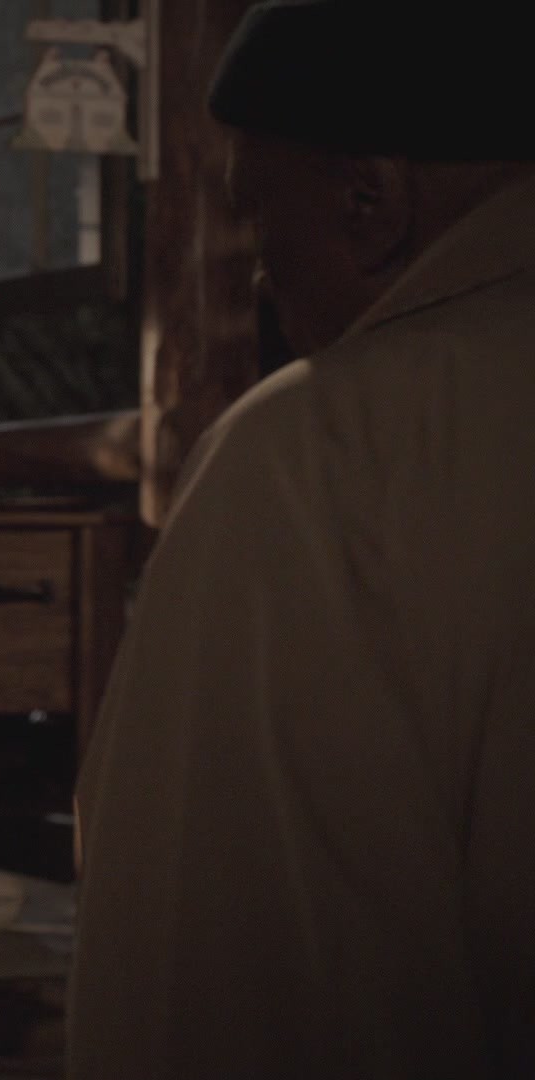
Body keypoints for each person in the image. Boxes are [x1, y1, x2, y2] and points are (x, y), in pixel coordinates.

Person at [70, 3, 535, 1076]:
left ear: (369, 200)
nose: (259, 276)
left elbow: (213, 982)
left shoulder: (320, 454)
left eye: (257, 219)